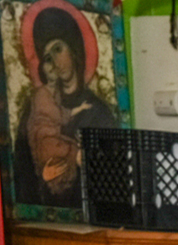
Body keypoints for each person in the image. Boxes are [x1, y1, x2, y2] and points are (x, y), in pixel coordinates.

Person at [12, 2, 118, 210]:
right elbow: (23, 171)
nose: (55, 60)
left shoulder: (98, 111)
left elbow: (113, 174)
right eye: (48, 57)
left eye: (58, 49)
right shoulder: (36, 106)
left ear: (75, 47)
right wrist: (43, 175)